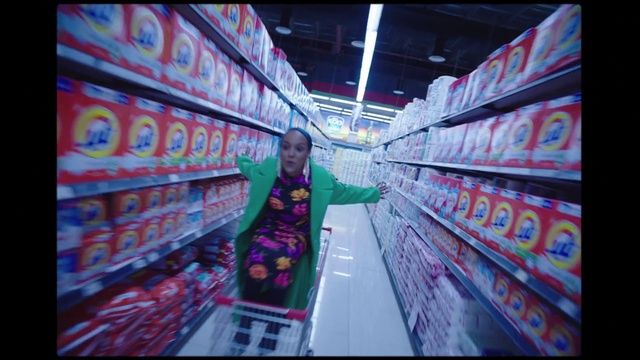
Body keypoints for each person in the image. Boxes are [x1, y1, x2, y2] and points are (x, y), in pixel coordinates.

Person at [232, 127, 389, 353]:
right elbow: (249, 169)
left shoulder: (319, 180)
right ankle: (244, 328)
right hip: (268, 230)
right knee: (256, 255)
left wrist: (373, 193)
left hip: (296, 235)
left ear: (308, 154)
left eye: (299, 149)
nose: (291, 154)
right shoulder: (268, 170)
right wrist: (241, 157)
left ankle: (271, 331)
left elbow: (345, 192)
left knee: (281, 261)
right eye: (285, 147)